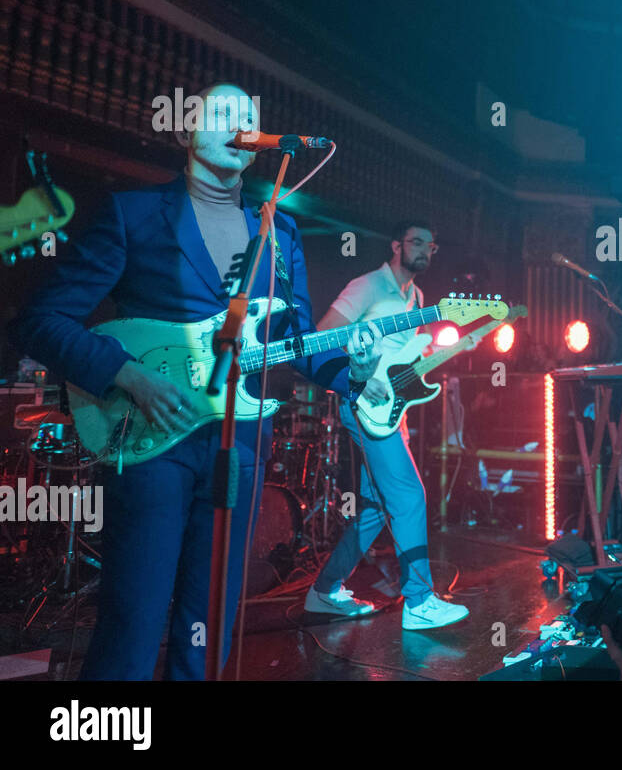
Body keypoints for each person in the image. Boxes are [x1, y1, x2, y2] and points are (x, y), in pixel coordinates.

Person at [9, 85, 381, 679]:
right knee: (133, 616)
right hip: (151, 441)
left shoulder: (280, 232)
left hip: (238, 449)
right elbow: (39, 320)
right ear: (185, 132)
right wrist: (126, 374)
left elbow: (299, 342)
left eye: (251, 119)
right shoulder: (133, 213)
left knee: (208, 621)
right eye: (224, 115)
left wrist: (354, 369)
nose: (240, 125)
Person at [304, 221, 470, 630]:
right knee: (409, 495)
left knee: (377, 508)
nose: (424, 251)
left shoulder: (416, 297)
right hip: (362, 404)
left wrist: (444, 349)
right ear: (396, 246)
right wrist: (359, 378)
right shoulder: (367, 286)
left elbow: (403, 359)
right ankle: (419, 601)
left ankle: (324, 590)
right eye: (416, 242)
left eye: (430, 246)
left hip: (392, 411)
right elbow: (322, 335)